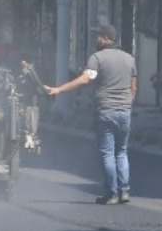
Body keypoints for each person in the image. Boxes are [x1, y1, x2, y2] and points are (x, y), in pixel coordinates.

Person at [46, 24, 138, 204]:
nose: (95, 39)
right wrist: (127, 103)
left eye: (97, 36)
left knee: (107, 153)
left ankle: (111, 193)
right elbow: (133, 87)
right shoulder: (129, 59)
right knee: (122, 152)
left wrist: (59, 89)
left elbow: (85, 79)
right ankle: (124, 191)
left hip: (105, 111)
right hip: (124, 112)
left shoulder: (97, 58)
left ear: (105, 38)